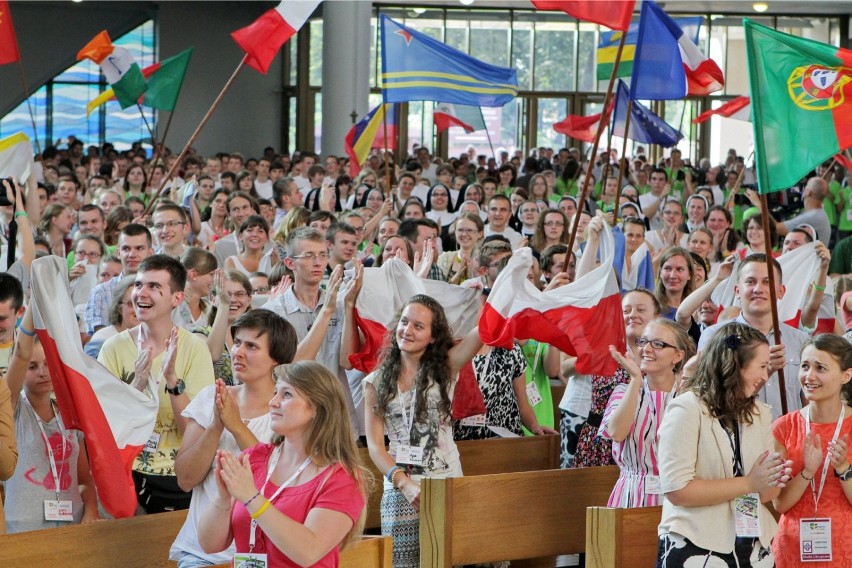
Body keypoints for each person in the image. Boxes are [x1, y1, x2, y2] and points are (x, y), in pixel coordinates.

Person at [171, 308, 339, 567]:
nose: (237, 352)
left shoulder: (291, 412)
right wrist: (217, 425)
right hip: (202, 553)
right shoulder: (211, 398)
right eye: (237, 342)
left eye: (251, 346)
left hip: (266, 553)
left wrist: (236, 426)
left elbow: (275, 482)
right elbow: (185, 479)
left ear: (276, 359)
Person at [197, 361, 368, 567]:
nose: (273, 402)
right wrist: (223, 498)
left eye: (286, 394)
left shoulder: (343, 478)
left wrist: (251, 497)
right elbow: (209, 544)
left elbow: (308, 551)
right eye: (275, 392)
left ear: (318, 407)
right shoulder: (256, 457)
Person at [657, 322, 793, 567]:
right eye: (762, 367)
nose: (765, 376)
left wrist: (774, 479)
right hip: (695, 541)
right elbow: (677, 490)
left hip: (753, 543)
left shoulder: (760, 412)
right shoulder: (686, 408)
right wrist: (750, 483)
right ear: (735, 365)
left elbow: (766, 494)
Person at [361, 295, 482, 568]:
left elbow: (483, 330)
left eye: (418, 326)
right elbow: (375, 447)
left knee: (448, 560)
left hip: (446, 480)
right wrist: (403, 483)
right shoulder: (375, 382)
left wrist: (511, 277)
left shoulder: (446, 368)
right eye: (404, 322)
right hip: (400, 486)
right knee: (403, 564)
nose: (408, 330)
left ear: (432, 336)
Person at [98, 255, 215, 513]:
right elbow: (107, 427)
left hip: (179, 479)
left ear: (176, 298)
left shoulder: (194, 348)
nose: (142, 293)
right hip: (128, 474)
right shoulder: (114, 348)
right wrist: (138, 385)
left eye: (154, 286)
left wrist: (173, 382)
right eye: (139, 285)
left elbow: (194, 434)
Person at [3, 304, 99, 532]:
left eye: (47, 364)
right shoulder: (11, 409)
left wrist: (92, 510)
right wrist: (36, 299)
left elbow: (84, 480)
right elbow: (20, 353)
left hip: (71, 528)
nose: (43, 372)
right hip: (22, 531)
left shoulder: (71, 414)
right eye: (32, 367)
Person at [771, 335, 852, 567]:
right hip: (792, 551)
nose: (810, 376)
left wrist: (844, 469)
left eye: (821, 368)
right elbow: (780, 504)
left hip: (845, 552)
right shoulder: (784, 427)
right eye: (805, 366)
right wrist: (807, 471)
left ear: (846, 375)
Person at [699, 254, 810, 419]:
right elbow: (710, 397)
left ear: (781, 291)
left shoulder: (801, 341)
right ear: (737, 290)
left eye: (767, 282)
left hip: (787, 441)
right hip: (735, 438)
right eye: (750, 282)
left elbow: (808, 400)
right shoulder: (714, 337)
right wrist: (767, 370)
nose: (758, 289)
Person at [602, 319, 694, 507]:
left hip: (679, 495)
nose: (647, 349)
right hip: (632, 494)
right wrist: (635, 379)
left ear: (677, 356)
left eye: (658, 344)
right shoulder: (623, 391)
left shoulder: (688, 395)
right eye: (643, 342)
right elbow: (616, 433)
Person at [654, 247, 695, 321]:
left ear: (690, 274)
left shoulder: (696, 309)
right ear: (660, 273)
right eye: (667, 268)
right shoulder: (652, 307)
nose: (672, 275)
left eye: (679, 269)